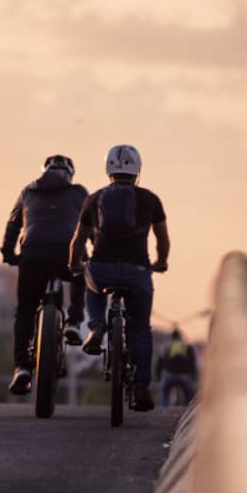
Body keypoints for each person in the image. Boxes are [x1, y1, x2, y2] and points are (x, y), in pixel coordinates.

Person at [69, 144, 170, 412]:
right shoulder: (151, 199)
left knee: (90, 282)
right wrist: (161, 262)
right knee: (140, 329)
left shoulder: (94, 199)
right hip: (138, 272)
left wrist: (74, 264)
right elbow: (162, 239)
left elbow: (78, 240)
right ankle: (140, 389)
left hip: (101, 269)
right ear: (138, 170)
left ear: (108, 169)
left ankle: (96, 326)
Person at [0, 154, 89, 395]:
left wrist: (8, 253)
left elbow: (13, 224)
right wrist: (93, 252)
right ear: (70, 174)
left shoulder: (28, 191)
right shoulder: (79, 193)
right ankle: (74, 321)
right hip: (66, 252)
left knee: (25, 310)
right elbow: (91, 224)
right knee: (80, 270)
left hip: (33, 254)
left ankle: (21, 367)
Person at [155, 328, 198, 407]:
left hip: (169, 374)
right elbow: (192, 362)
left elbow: (160, 362)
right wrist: (194, 376)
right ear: (180, 336)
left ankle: (165, 407)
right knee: (189, 392)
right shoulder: (186, 346)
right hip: (184, 375)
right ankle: (187, 407)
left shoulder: (166, 346)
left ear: (172, 337)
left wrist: (158, 376)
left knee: (165, 390)